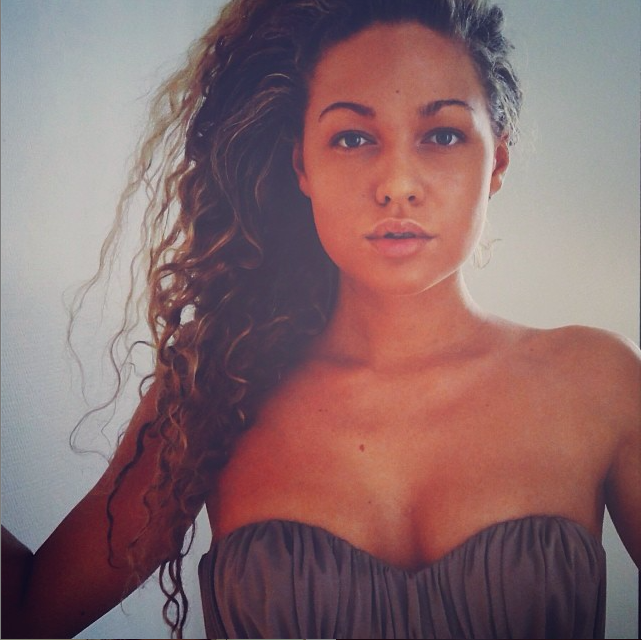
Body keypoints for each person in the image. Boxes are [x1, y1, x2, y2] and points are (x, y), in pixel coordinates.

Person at [2, 0, 639, 638]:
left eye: (442, 135)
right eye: (353, 138)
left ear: (495, 161)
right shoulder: (216, 394)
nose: (397, 183)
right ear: (301, 165)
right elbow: (26, 611)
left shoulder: (599, 384)